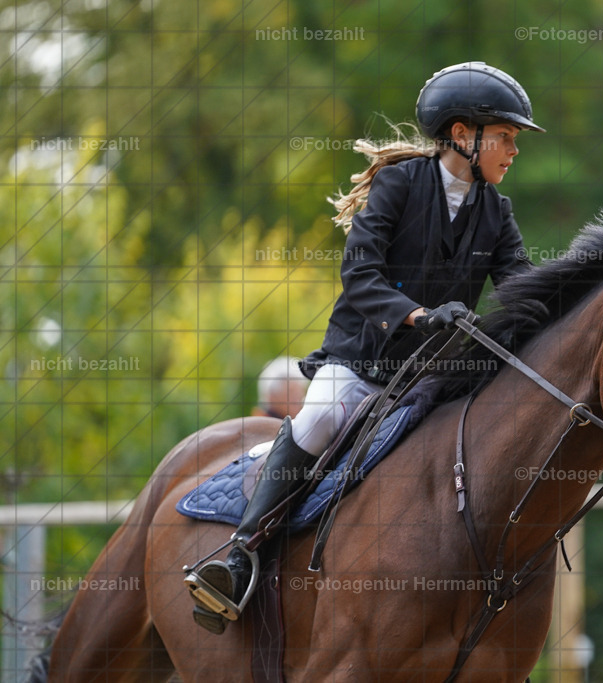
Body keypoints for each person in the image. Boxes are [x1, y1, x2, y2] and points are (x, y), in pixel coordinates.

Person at [185, 61, 543, 633]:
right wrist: (422, 315)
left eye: (514, 139)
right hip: (363, 362)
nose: (513, 150)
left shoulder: (495, 210)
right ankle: (240, 555)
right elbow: (362, 276)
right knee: (319, 417)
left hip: (432, 378)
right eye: (504, 136)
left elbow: (521, 285)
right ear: (461, 135)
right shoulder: (400, 185)